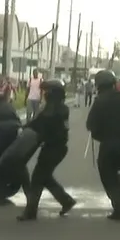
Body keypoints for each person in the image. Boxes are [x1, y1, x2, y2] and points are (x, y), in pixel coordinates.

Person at [17, 79, 77, 221]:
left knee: (37, 180)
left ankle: (30, 212)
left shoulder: (52, 109)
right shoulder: (60, 108)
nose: (44, 94)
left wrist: (23, 128)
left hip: (53, 149)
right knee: (45, 178)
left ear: (53, 93)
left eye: (47, 91)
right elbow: (39, 122)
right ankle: (66, 201)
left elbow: (38, 123)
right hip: (57, 148)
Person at [85, 69, 120, 220]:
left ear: (99, 85)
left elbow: (90, 124)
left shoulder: (100, 101)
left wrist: (98, 134)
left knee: (107, 173)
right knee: (114, 172)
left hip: (107, 142)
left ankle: (119, 205)